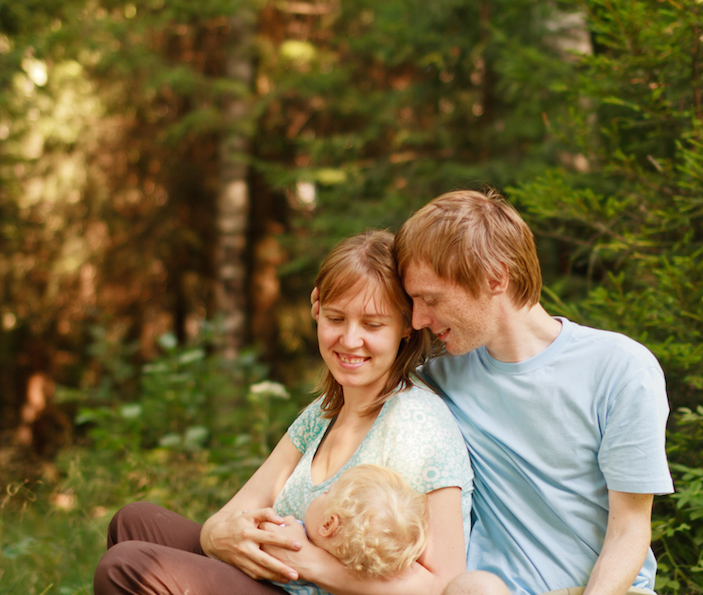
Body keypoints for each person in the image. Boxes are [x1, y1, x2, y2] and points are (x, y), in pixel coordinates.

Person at [93, 230, 474, 595]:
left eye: (372, 324)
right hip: (273, 581)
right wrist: (217, 537)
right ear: (317, 308)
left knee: (126, 567)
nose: (350, 339)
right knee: (135, 520)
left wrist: (306, 562)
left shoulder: (418, 425)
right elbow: (231, 514)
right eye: (336, 318)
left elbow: (444, 585)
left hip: (307, 588)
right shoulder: (323, 414)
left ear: (405, 327)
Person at [389, 190, 674, 595]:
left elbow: (630, 529)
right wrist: (339, 310)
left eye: (430, 299)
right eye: (413, 302)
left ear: (495, 278)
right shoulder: (436, 381)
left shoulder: (622, 368)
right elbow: (356, 402)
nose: (418, 319)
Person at [274, 464, 429, 595]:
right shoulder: (352, 586)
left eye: (327, 492)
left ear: (328, 525)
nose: (322, 492)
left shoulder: (292, 536)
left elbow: (262, 539)